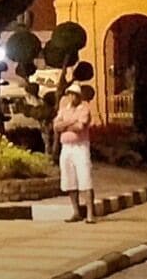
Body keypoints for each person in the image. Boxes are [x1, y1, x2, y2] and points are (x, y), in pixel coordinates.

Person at [53, 84, 96, 223]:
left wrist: (65, 124)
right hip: (66, 147)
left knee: (85, 179)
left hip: (80, 147)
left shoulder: (84, 109)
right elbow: (56, 126)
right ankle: (76, 212)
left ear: (79, 96)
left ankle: (90, 214)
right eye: (70, 94)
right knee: (69, 180)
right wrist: (71, 121)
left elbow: (80, 127)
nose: (72, 97)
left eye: (74, 94)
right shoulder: (64, 109)